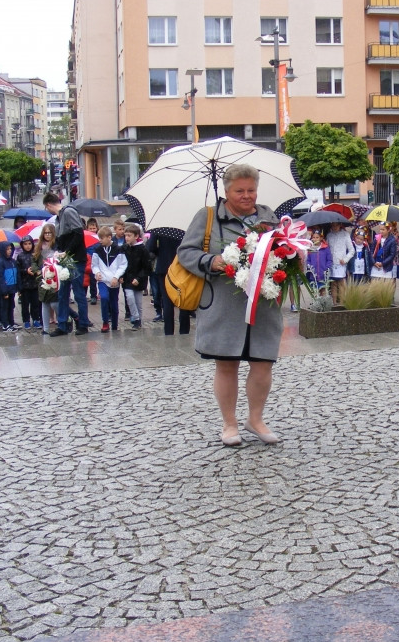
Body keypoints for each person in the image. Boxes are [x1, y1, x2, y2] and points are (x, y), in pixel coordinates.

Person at [177, 163, 283, 447]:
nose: (247, 195)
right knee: (227, 366)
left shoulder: (269, 218)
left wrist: (292, 259)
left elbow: (285, 251)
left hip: (263, 306)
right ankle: (229, 424)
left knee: (263, 365)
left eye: (251, 190)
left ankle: (255, 419)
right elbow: (185, 252)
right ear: (226, 191)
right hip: (224, 306)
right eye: (240, 191)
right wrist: (211, 261)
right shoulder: (208, 217)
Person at [42, 191, 91, 336]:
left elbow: (78, 233)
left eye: (47, 207)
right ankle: (62, 325)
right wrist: (58, 251)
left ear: (49, 205)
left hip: (75, 259)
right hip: (65, 259)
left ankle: (83, 324)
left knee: (78, 293)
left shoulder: (68, 212)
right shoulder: (59, 217)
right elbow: (62, 239)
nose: (47, 210)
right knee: (62, 293)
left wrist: (67, 251)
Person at [147, 230, 191, 336]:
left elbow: (150, 247)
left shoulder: (161, 227)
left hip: (164, 266)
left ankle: (169, 331)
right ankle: (184, 330)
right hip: (182, 266)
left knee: (167, 301)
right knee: (183, 299)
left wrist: (160, 251)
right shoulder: (184, 226)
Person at [91, 226, 127, 333]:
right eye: (99, 238)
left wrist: (117, 277)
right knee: (104, 298)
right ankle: (105, 322)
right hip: (103, 280)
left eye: (102, 238)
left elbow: (122, 265)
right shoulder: (97, 250)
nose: (100, 240)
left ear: (109, 237)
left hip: (114, 281)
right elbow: (94, 265)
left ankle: (115, 325)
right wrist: (97, 273)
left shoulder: (118, 249)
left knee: (114, 303)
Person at [121, 222, 151, 331]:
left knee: (138, 301)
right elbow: (121, 263)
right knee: (129, 297)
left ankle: (139, 322)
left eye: (129, 235)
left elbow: (146, 267)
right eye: (125, 235)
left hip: (139, 279)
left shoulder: (142, 249)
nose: (127, 238)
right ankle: (136, 318)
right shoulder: (124, 248)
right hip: (127, 279)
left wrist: (139, 278)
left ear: (136, 236)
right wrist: (121, 276)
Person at [16, 237, 42, 329]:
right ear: (22, 245)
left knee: (35, 303)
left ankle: (36, 319)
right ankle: (26, 320)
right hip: (25, 285)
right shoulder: (20, 256)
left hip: (35, 284)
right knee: (25, 305)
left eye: (29, 244)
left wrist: (36, 271)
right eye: (25, 244)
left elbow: (40, 266)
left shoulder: (35, 255)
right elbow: (18, 270)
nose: (28, 246)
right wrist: (26, 271)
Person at [0, 242, 19, 331]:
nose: (9, 251)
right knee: (5, 307)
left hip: (12, 288)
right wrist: (4, 291)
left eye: (10, 249)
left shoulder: (13, 261)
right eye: (7, 249)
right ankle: (5, 324)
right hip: (5, 289)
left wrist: (18, 287)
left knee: (11, 306)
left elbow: (16, 274)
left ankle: (11, 322)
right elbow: (0, 278)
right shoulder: (1, 262)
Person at [326, 220, 353, 305]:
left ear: (340, 225)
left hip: (341, 263)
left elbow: (352, 250)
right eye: (333, 225)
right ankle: (334, 302)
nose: (334, 227)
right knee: (333, 284)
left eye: (336, 225)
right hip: (332, 263)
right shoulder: (329, 235)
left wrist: (345, 259)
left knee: (341, 283)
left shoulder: (345, 235)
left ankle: (342, 302)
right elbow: (327, 248)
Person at [86, 217, 99, 306]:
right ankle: (85, 295)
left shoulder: (98, 238)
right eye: (90, 228)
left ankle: (93, 295)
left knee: (93, 280)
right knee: (87, 279)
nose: (92, 230)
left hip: (95, 261)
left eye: (94, 228)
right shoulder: (85, 238)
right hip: (87, 261)